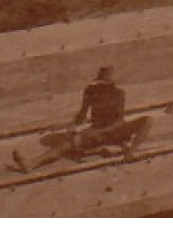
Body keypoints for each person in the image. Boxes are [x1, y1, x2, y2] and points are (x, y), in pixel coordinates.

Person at [11, 66, 147, 173]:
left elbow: (119, 121)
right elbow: (80, 117)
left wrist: (100, 131)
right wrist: (64, 126)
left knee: (147, 120)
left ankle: (131, 151)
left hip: (113, 131)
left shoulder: (118, 94)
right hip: (96, 132)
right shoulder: (90, 91)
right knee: (65, 145)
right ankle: (31, 164)